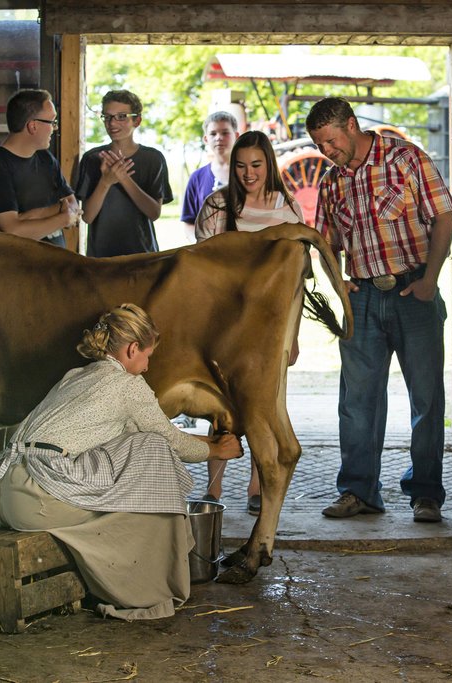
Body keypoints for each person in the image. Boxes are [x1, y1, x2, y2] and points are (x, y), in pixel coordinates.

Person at [0, 304, 242, 620]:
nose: (147, 366)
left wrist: (212, 443)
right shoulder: (128, 386)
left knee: (143, 449)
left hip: (1, 490)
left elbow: (147, 431)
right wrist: (218, 451)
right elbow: (169, 441)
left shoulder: (77, 375)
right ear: (133, 349)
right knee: (148, 502)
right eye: (147, 356)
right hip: (37, 496)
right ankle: (139, 588)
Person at [308, 97, 452, 524]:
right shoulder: (332, 181)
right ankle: (358, 491)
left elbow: (443, 219)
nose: (326, 151)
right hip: (363, 297)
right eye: (319, 144)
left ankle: (425, 493)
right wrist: (341, 285)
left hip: (414, 290)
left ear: (351, 125)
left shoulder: (405, 158)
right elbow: (325, 243)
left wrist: (429, 281)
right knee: (357, 400)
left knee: (426, 398)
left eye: (331, 141)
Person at [194, 130, 303, 515]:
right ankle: (213, 487)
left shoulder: (286, 207)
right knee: (221, 408)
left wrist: (294, 336)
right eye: (240, 166)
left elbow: (296, 281)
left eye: (256, 165)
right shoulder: (216, 205)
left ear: (268, 164)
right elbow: (197, 270)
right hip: (223, 324)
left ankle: (257, 487)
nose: (248, 173)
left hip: (270, 329)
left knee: (263, 409)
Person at [0, 89, 79, 247]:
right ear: (33, 126)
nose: (55, 128)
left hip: (54, 268)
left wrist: (28, 217)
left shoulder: (46, 158)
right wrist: (62, 217)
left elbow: (72, 204)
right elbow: (12, 231)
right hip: (17, 270)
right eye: (52, 122)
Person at [75, 90, 173, 257]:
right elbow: (88, 217)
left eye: (121, 116)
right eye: (107, 117)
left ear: (137, 120)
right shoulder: (91, 159)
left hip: (142, 256)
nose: (112, 123)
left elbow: (154, 213)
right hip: (101, 258)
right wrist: (106, 182)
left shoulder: (153, 159)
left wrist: (123, 178)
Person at [181, 111, 238, 242]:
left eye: (225, 133)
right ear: (206, 139)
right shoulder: (196, 178)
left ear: (236, 136)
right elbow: (189, 221)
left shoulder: (247, 174)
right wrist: (199, 244)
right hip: (208, 254)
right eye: (213, 134)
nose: (219, 138)